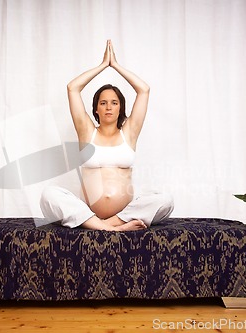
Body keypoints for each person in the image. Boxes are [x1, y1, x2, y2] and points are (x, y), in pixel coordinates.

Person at [40, 40, 173, 231]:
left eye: (114, 103)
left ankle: (105, 225)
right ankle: (108, 227)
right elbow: (73, 88)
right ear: (95, 109)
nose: (109, 107)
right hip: (88, 209)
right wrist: (103, 66)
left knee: (165, 200)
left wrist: (116, 66)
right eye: (103, 103)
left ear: (121, 108)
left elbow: (143, 90)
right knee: (49, 194)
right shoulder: (86, 131)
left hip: (126, 211)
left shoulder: (129, 132)